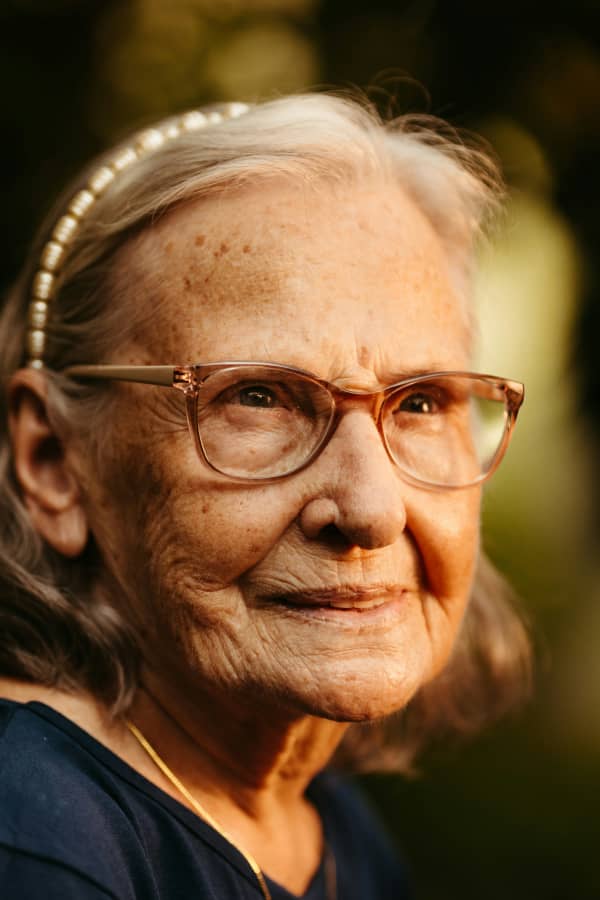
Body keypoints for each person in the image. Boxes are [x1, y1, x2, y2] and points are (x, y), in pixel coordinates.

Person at [0, 94, 530, 900]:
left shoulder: (325, 824)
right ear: (54, 463)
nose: (371, 509)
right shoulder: (39, 842)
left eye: (421, 402)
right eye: (259, 398)